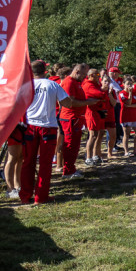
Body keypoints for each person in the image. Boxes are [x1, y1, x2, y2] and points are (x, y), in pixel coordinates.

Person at [21, 60, 91, 205]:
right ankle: (41, 197)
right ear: (45, 72)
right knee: (45, 164)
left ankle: (25, 195)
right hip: (48, 126)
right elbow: (67, 103)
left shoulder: (26, 85)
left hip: (29, 126)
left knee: (28, 162)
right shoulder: (52, 84)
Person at [58, 64, 99, 180]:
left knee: (74, 145)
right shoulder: (69, 82)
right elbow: (70, 102)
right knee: (70, 145)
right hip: (70, 118)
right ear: (77, 72)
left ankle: (71, 168)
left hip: (75, 118)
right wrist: (88, 102)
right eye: (84, 74)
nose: (85, 77)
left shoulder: (75, 82)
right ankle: (67, 171)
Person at [82, 69, 112, 166]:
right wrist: (103, 92)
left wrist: (102, 94)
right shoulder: (88, 84)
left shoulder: (95, 84)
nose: (99, 76)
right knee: (93, 135)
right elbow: (98, 94)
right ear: (91, 75)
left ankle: (95, 155)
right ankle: (88, 157)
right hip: (92, 112)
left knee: (100, 133)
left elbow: (102, 96)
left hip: (99, 111)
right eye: (97, 74)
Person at [118, 76, 136, 156]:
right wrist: (130, 94)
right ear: (123, 84)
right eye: (128, 84)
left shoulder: (135, 92)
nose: (129, 86)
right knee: (127, 134)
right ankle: (126, 151)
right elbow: (128, 102)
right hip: (126, 116)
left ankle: (135, 150)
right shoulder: (122, 93)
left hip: (134, 116)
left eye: (131, 84)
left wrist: (131, 105)